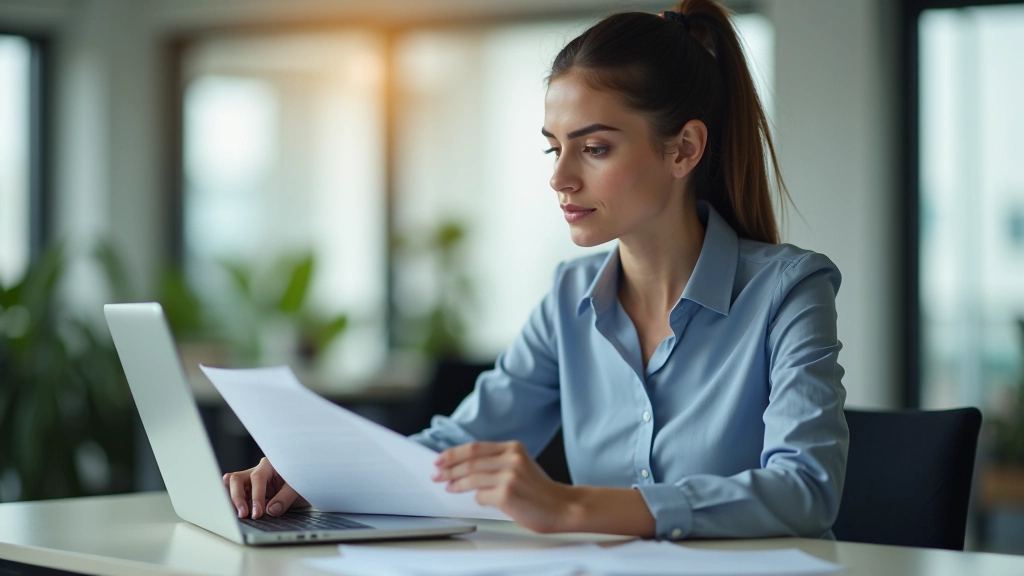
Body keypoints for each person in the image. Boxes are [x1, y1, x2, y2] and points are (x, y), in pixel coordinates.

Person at [223, 0, 849, 541]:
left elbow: (805, 489)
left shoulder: (788, 292)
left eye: (594, 148)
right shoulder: (569, 297)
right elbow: (455, 449)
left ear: (683, 148)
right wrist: (323, 471)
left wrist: (573, 507)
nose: (560, 177)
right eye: (554, 147)